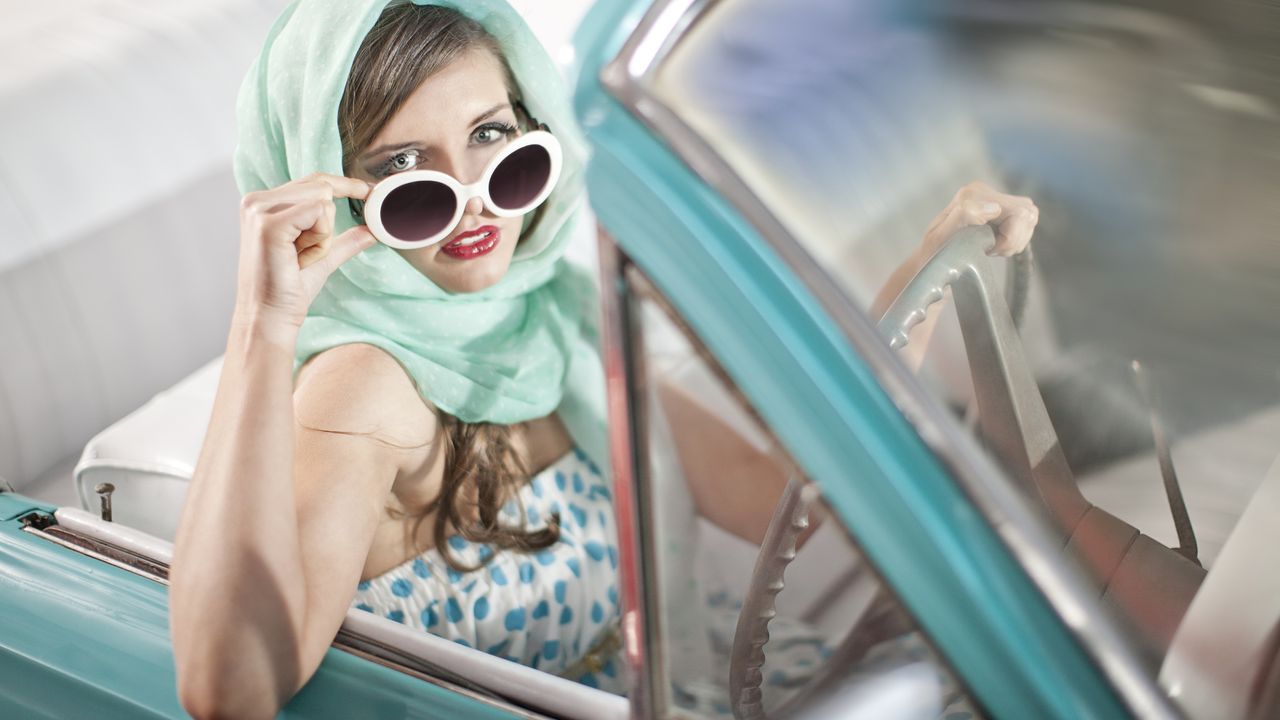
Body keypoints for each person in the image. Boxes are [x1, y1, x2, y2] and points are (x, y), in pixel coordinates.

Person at [167, 0, 1040, 716]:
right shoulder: (366, 390)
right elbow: (228, 692)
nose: (474, 198)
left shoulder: (552, 319)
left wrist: (920, 273)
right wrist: (263, 323)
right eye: (405, 167)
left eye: (492, 136)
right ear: (331, 186)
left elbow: (783, 504)